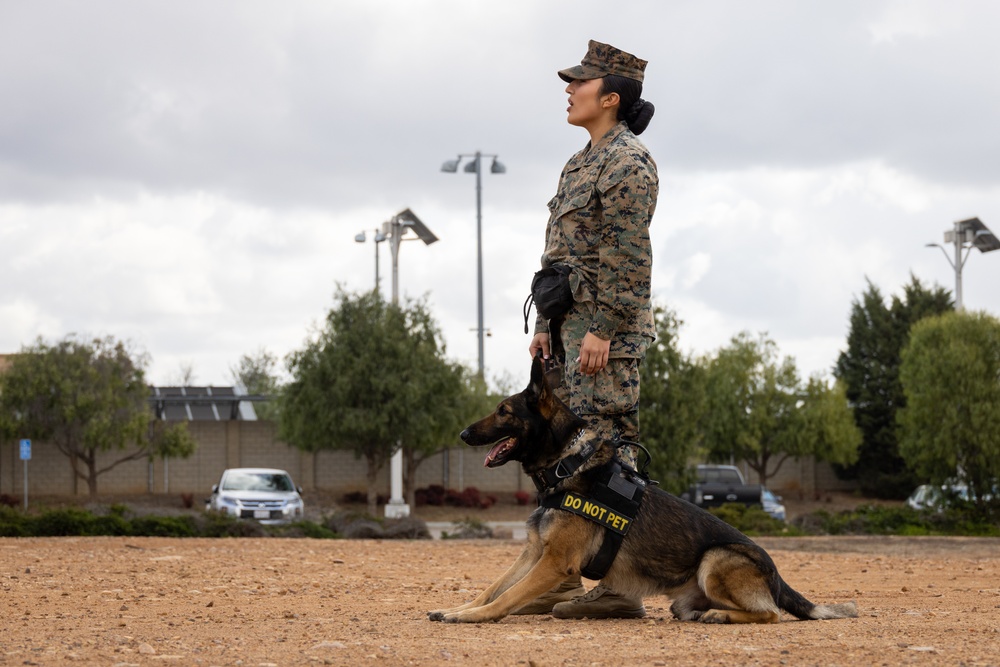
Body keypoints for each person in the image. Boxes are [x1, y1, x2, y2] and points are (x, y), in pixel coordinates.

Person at [521, 39, 658, 620]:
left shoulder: (628, 162)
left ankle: (622, 585)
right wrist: (548, 326)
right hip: (570, 334)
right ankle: (560, 578)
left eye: (579, 83)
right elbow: (565, 255)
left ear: (610, 97)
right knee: (568, 455)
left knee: (611, 456)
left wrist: (602, 327)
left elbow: (628, 258)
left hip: (605, 338)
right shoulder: (581, 161)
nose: (569, 90)